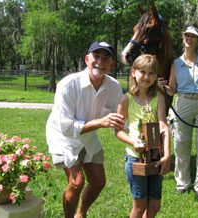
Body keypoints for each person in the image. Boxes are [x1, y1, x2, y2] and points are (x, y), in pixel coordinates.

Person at [46, 41, 125, 218]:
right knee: (77, 182)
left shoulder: (114, 87)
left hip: (88, 137)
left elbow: (121, 120)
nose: (100, 62)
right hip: (62, 137)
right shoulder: (68, 85)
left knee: (98, 181)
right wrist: (101, 122)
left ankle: (80, 214)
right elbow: (66, 127)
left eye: (106, 58)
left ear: (111, 64)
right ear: (87, 59)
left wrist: (139, 134)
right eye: (96, 56)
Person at [158, 25, 198, 197]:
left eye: (192, 36)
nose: (188, 38)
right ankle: (182, 183)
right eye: (186, 35)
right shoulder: (176, 63)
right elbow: (172, 89)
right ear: (183, 38)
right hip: (183, 103)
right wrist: (162, 86)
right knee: (181, 145)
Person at [115, 54, 170, 217]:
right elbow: (118, 131)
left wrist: (167, 155)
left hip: (155, 157)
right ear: (133, 72)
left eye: (152, 73)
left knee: (154, 205)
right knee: (139, 206)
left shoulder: (159, 98)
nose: (147, 76)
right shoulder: (126, 100)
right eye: (143, 72)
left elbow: (163, 126)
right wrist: (133, 142)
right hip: (135, 158)